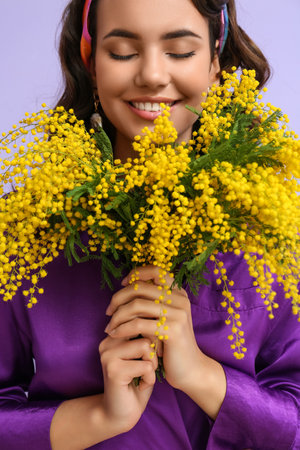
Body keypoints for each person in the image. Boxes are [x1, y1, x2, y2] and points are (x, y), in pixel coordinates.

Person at [0, 0, 299, 449]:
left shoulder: (273, 227)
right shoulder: (26, 230)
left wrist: (203, 376)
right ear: (92, 64)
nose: (153, 76)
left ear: (215, 65)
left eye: (180, 51)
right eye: (122, 52)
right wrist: (98, 417)